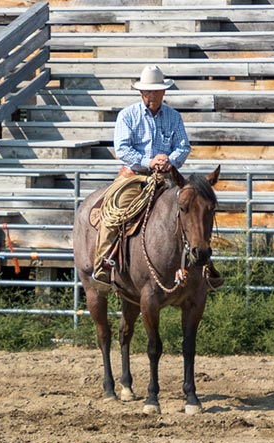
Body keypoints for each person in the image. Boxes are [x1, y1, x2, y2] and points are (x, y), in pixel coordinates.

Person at [92, 65, 221, 291]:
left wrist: (169, 160)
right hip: (134, 177)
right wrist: (149, 162)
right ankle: (105, 261)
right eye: (148, 91)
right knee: (116, 212)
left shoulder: (173, 117)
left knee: (190, 210)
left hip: (167, 179)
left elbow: (183, 146)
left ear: (163, 92)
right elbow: (122, 149)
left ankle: (204, 263)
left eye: (156, 91)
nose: (152, 95)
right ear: (141, 93)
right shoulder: (128, 116)